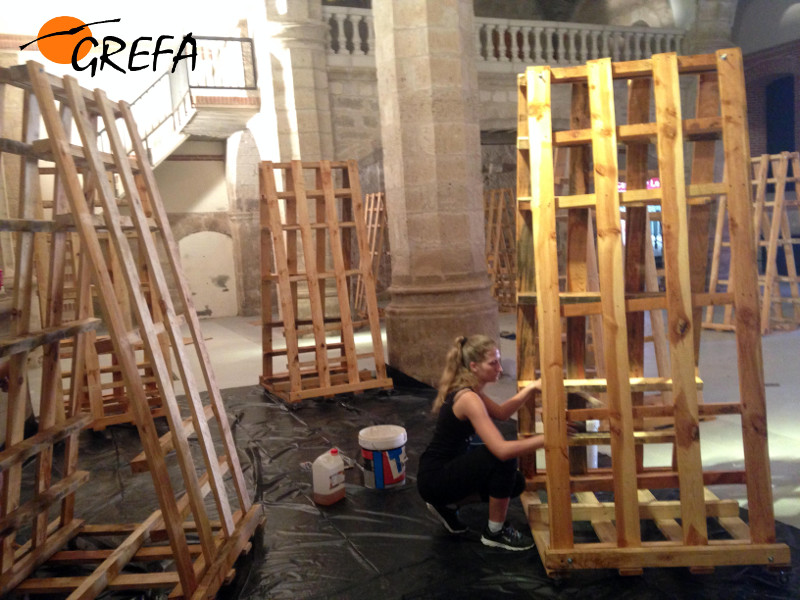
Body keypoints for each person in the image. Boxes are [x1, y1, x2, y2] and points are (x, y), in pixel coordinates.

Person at [417, 334, 559, 551]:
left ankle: (448, 504)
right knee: (503, 458)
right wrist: (550, 438)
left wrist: (529, 390)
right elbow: (501, 451)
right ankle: (495, 532)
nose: (500, 368)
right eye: (493, 363)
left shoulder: (471, 391)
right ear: (473, 366)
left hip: (439, 473)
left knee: (516, 482)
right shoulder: (469, 399)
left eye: (499, 361)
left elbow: (502, 413)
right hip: (435, 478)